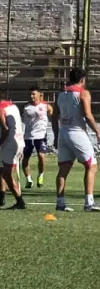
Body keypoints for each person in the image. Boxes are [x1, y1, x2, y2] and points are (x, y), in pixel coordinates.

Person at [53, 68, 100, 212]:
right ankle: (89, 203)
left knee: (64, 168)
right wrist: (97, 130)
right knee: (91, 165)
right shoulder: (83, 93)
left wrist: (56, 135)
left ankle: (60, 203)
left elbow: (54, 116)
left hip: (63, 133)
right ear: (83, 80)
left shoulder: (61, 94)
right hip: (77, 132)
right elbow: (87, 114)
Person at [0, 87, 26, 209]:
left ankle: (20, 201)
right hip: (19, 141)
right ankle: (2, 197)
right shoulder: (13, 106)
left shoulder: (0, 109)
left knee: (6, 173)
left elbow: (5, 129)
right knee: (0, 169)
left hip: (9, 144)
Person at [22, 87, 53, 189]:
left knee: (41, 155)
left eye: (34, 94)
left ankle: (41, 175)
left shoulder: (45, 106)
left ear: (40, 95)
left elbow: (51, 112)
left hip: (41, 135)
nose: (32, 96)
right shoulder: (26, 107)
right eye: (30, 94)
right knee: (25, 158)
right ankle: (28, 179)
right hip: (28, 136)